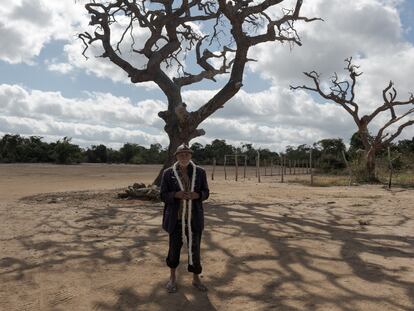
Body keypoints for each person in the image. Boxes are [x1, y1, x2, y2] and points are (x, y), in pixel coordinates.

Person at [160, 143, 210, 293]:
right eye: (181, 154)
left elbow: (206, 192)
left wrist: (198, 195)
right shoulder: (168, 173)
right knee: (174, 249)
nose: (184, 157)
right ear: (176, 156)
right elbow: (162, 195)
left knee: (195, 249)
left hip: (194, 218)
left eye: (187, 154)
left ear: (191, 156)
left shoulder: (200, 172)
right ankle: (172, 279)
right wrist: (175, 194)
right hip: (175, 219)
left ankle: (195, 279)